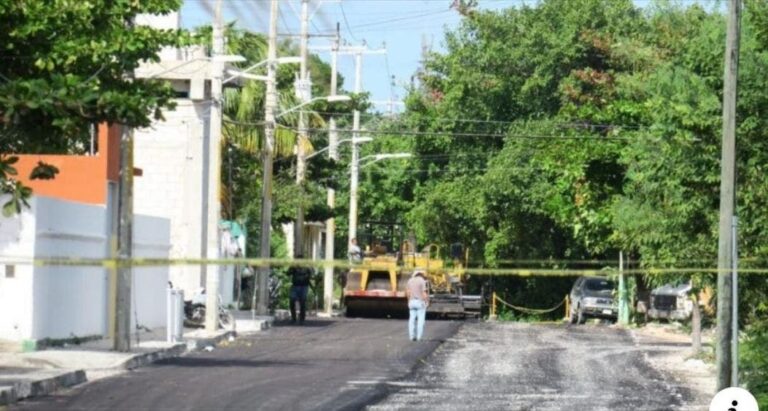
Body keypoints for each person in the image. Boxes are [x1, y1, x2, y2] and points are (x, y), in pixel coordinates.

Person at [288, 254, 312, 324]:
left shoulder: (307, 266)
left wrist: (307, 275)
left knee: (302, 302)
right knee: (292, 301)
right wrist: (292, 269)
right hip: (295, 286)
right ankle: (293, 318)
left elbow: (311, 273)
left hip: (304, 286)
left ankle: (302, 319)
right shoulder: (294, 266)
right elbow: (288, 273)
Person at [406, 270, 429, 341]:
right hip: (419, 302)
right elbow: (424, 293)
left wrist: (408, 301)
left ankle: (411, 337)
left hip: (411, 302)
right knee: (420, 320)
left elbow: (408, 292)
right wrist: (427, 301)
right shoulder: (422, 281)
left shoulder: (410, 280)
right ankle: (419, 337)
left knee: (411, 320)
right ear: (421, 274)